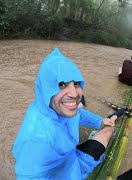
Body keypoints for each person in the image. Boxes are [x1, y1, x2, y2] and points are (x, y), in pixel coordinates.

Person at [12, 48, 125, 180]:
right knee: (108, 128)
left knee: (77, 105)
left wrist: (99, 121)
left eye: (76, 83)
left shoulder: (45, 104)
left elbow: (79, 113)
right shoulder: (38, 141)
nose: (74, 93)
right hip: (68, 173)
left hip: (70, 157)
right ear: (47, 88)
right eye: (61, 84)